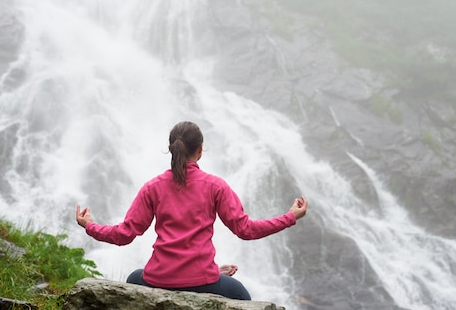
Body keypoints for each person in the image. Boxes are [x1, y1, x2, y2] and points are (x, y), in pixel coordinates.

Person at [76, 121, 308, 300]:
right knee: (242, 296)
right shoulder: (216, 186)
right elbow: (245, 230)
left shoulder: (152, 188)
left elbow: (124, 234)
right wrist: (289, 217)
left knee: (133, 278)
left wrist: (90, 226)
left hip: (158, 278)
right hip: (202, 279)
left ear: (170, 149)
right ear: (200, 150)